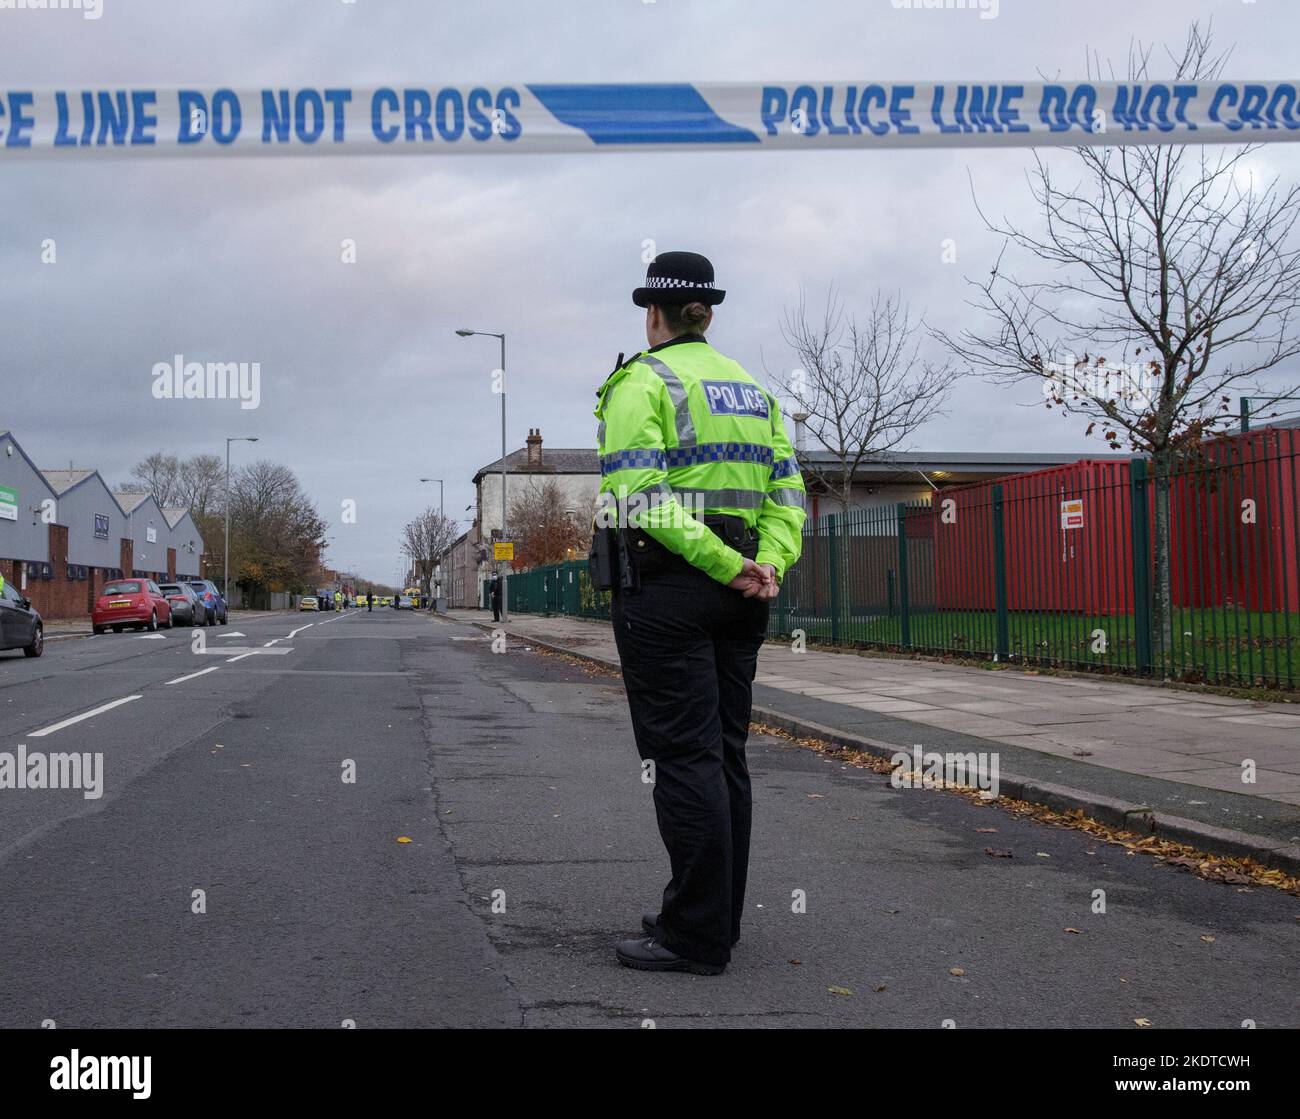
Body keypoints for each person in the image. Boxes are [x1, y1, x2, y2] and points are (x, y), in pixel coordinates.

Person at [596, 251, 806, 976]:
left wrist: (721, 562)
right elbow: (790, 495)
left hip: (669, 591)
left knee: (682, 758)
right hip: (743, 596)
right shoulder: (754, 391)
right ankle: (713, 915)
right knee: (723, 755)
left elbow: (637, 499)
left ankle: (695, 937)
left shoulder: (642, 381)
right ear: (706, 314)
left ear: (653, 314)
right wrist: (767, 564)